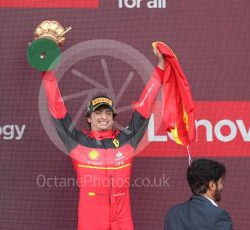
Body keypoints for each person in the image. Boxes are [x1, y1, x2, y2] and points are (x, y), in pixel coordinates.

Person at [41, 43, 165, 230]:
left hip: (122, 216)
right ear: (89, 118)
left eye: (108, 113)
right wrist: (47, 72)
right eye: (98, 113)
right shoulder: (77, 141)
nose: (104, 117)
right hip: (92, 217)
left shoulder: (126, 140)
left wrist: (161, 68)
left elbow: (145, 106)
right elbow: (57, 109)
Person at [164, 159, 234, 230]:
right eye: (221, 182)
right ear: (212, 185)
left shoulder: (173, 213)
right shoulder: (219, 216)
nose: (222, 186)